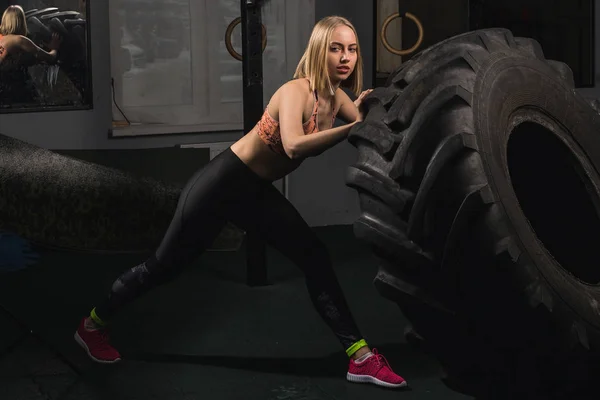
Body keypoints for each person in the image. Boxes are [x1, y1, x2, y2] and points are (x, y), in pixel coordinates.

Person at [74, 15, 408, 389]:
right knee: (163, 267)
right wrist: (354, 125)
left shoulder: (338, 99)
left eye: (351, 49)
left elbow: (366, 126)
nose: (345, 57)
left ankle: (359, 356)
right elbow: (295, 144)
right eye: (335, 48)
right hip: (221, 183)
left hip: (254, 192)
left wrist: (386, 115)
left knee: (313, 254)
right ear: (318, 51)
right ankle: (92, 325)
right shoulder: (295, 91)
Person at [0, 5, 61, 104]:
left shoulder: (1, 38)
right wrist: (54, 48)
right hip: (10, 89)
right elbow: (50, 57)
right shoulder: (19, 40)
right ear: (21, 21)